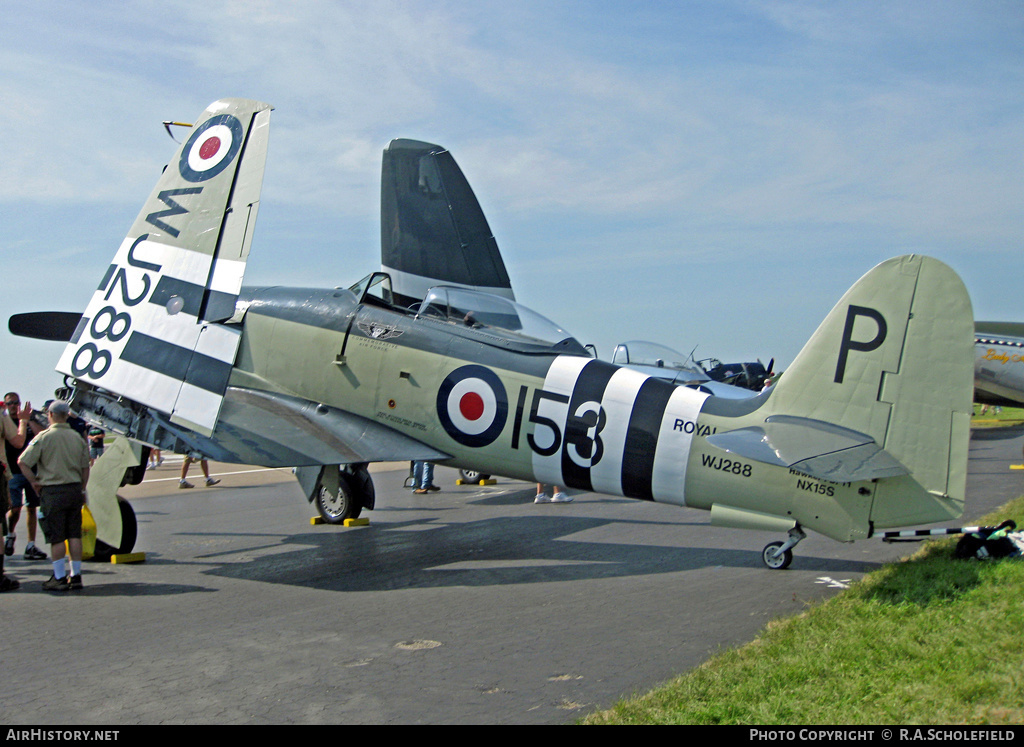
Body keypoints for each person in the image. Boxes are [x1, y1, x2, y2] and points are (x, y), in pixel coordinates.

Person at [18, 400, 91, 591]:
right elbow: (85, 467)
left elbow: (22, 462)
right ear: (67, 415)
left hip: (52, 491)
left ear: (50, 415)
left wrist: (34, 482)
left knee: (57, 537)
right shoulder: (77, 437)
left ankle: (59, 577)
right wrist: (82, 489)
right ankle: (76, 575)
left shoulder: (44, 437)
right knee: (74, 534)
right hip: (74, 489)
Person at [3, 392, 47, 561]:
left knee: (31, 508)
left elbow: (42, 436)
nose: (13, 406)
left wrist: (27, 421)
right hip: (13, 472)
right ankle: (11, 534)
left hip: (31, 471)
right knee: (14, 508)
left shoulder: (27, 421)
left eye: (16, 402)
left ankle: (30, 545)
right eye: (9, 403)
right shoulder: (6, 423)